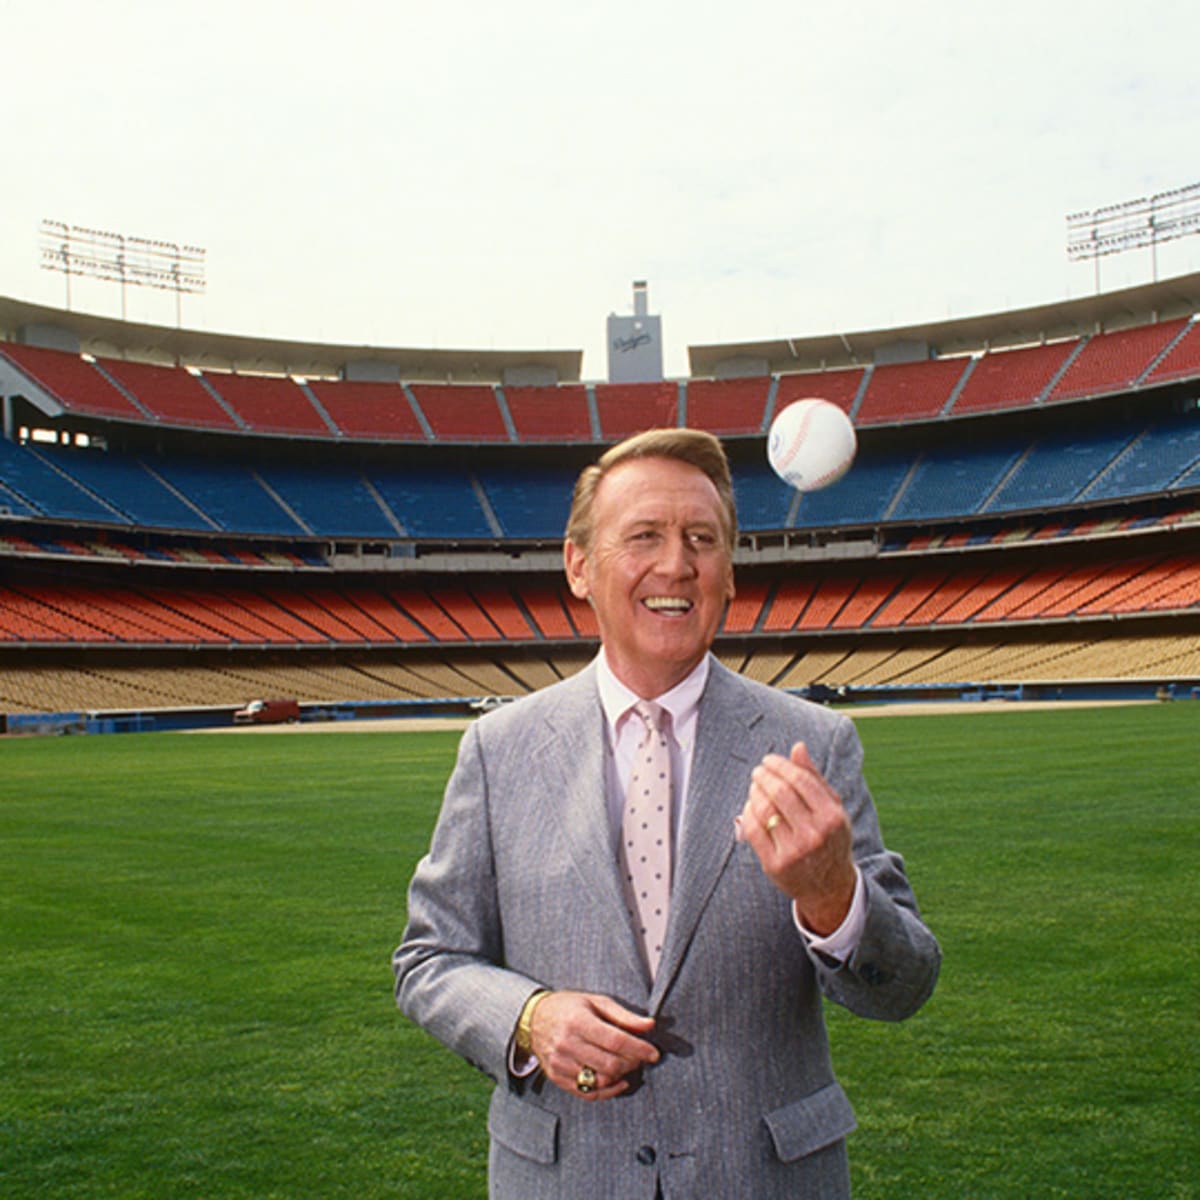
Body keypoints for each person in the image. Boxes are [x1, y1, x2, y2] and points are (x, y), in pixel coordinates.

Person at [393, 428, 940, 1199]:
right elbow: (429, 960)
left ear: (729, 575)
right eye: (643, 536)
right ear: (578, 565)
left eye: (701, 539)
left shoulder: (813, 743)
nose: (676, 564)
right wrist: (529, 1018)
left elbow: (903, 985)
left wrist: (832, 897)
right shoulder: (499, 750)